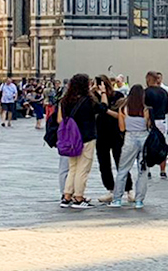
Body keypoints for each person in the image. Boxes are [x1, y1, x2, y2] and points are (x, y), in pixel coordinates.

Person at [56, 73, 100, 205]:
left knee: (73, 167)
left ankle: (67, 195)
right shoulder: (88, 100)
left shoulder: (65, 100)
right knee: (83, 168)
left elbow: (60, 119)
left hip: (71, 138)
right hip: (86, 136)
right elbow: (102, 109)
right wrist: (101, 94)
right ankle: (79, 197)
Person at [108, 85, 153, 209]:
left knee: (123, 169)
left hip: (129, 138)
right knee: (143, 171)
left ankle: (117, 199)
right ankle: (139, 200)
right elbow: (149, 125)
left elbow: (122, 128)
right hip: (144, 137)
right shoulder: (145, 109)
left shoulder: (123, 109)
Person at [94, 77, 127, 195]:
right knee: (104, 164)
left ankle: (128, 189)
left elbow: (120, 115)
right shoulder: (94, 98)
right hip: (100, 134)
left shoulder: (117, 96)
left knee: (120, 161)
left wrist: (106, 110)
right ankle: (110, 189)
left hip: (115, 133)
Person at [144, 72, 168, 180]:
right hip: (161, 120)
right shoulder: (164, 92)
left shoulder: (146, 92)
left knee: (147, 146)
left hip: (149, 121)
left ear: (148, 80)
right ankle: (163, 171)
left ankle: (147, 170)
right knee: (162, 145)